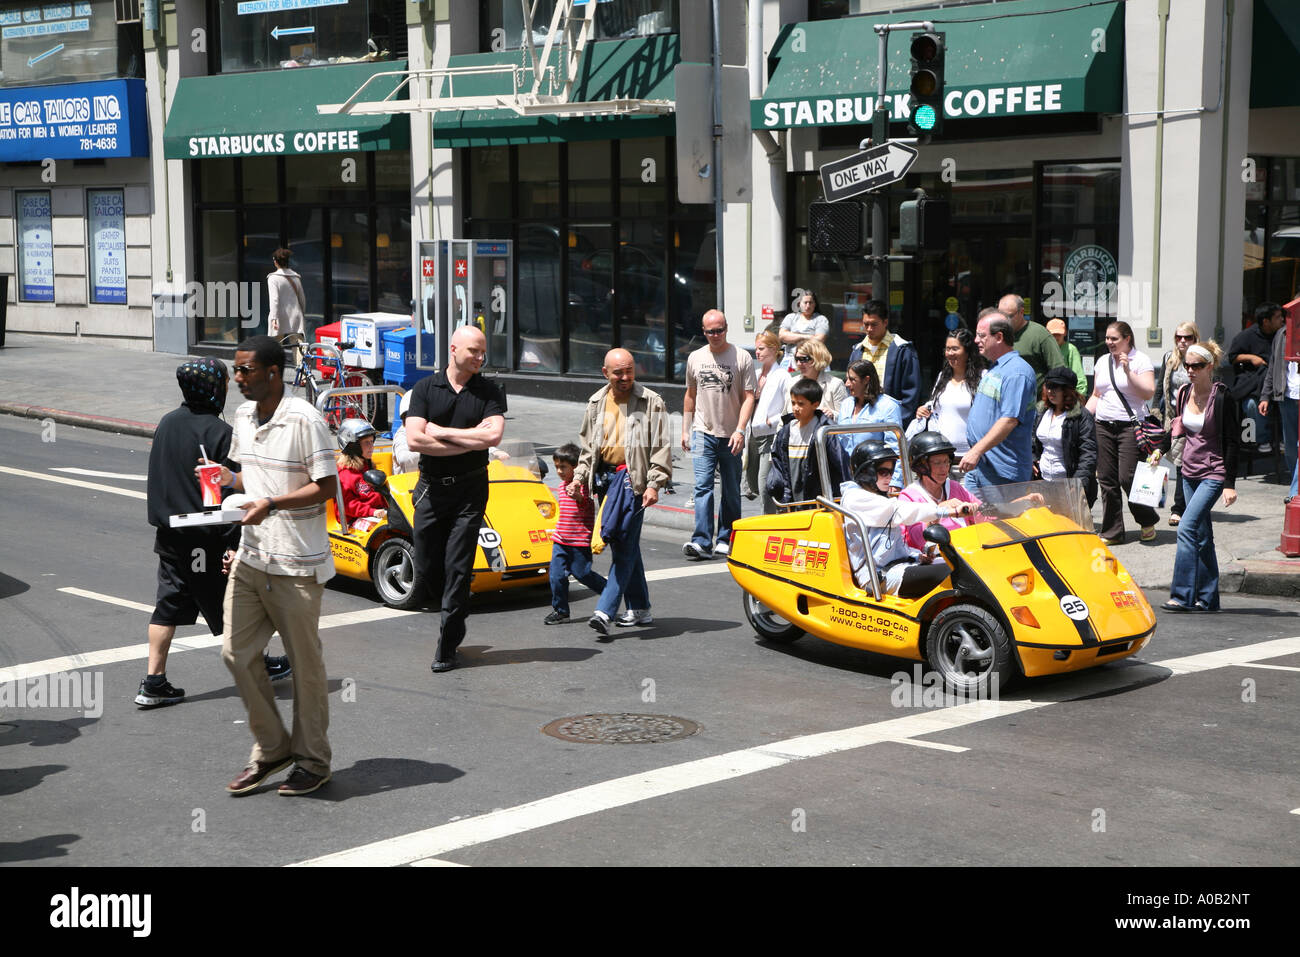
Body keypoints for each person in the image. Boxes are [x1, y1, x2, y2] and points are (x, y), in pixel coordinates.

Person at [212, 335, 338, 797]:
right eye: (236, 369)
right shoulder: (244, 416)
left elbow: (326, 485)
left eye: (245, 370)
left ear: (272, 372)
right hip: (251, 556)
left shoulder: (305, 418)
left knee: (305, 667)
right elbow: (251, 474)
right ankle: (272, 748)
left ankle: (312, 760)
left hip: (297, 562)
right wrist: (228, 479)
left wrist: (273, 503)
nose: (237, 378)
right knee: (235, 653)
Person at [137, 359, 291, 709]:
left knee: (168, 606)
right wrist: (233, 544)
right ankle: (258, 666)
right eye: (223, 383)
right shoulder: (219, 434)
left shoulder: (166, 424)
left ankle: (153, 681)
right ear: (213, 389)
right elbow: (235, 495)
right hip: (205, 537)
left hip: (170, 535)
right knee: (239, 604)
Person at [403, 326, 507, 672]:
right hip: (431, 490)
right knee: (430, 566)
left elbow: (492, 437)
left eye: (482, 352)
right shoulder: (424, 388)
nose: (479, 357)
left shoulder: (489, 390)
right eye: (473, 351)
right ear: (453, 349)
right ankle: (450, 606)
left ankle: (447, 646)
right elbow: (416, 440)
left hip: (470, 489)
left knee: (459, 567)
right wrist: (469, 439)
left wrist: (444, 432)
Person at [572, 348, 672, 635]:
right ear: (606, 373)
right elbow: (588, 447)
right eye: (618, 372)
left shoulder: (651, 401)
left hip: (633, 482)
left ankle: (604, 610)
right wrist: (580, 477)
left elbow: (661, 446)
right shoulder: (596, 402)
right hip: (604, 482)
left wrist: (654, 483)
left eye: (629, 371)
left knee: (624, 546)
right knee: (623, 544)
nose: (625, 377)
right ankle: (640, 608)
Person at [841, 440, 975, 597]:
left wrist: (918, 556)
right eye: (883, 472)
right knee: (954, 572)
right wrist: (945, 511)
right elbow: (900, 511)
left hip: (898, 567)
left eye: (891, 472)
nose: (889, 477)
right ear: (865, 472)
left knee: (964, 565)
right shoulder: (856, 498)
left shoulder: (877, 497)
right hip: (877, 576)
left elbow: (894, 546)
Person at [1165, 341, 1239, 612]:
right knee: (1203, 535)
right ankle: (1208, 599)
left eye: (1196, 365)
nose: (1191, 370)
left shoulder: (1222, 397)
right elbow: (1177, 428)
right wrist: (1159, 450)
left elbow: (1233, 442)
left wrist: (1230, 484)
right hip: (1188, 469)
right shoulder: (1184, 392)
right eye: (1187, 365)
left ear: (1210, 367)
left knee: (1186, 527)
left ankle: (1182, 595)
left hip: (1214, 472)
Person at [682, 309, 756, 560]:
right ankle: (702, 540)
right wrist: (686, 429)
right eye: (710, 331)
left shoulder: (742, 357)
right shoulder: (695, 358)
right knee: (702, 487)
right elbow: (690, 395)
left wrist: (740, 430)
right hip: (702, 431)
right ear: (703, 332)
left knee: (732, 488)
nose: (715, 335)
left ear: (726, 328)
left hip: (731, 434)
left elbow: (749, 398)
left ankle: (727, 538)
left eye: (719, 330)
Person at [1087, 320, 1160, 545]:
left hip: (1130, 426)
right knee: (1107, 480)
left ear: (1127, 339)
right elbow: (1097, 395)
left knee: (1127, 477)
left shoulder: (1141, 360)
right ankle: (1113, 532)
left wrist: (1128, 370)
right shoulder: (1102, 362)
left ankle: (1147, 519)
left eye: (1114, 339)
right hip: (1103, 424)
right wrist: (1083, 417)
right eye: (1107, 338)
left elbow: (1148, 393)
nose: (1109, 342)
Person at [960, 309, 1038, 493]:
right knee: (975, 520)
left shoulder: (1017, 372)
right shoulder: (996, 368)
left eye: (981, 336)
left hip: (1003, 474)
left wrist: (977, 450)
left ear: (999, 337)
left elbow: (1009, 420)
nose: (976, 340)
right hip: (982, 466)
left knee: (1003, 522)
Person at [544, 443, 607, 625]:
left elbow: (586, 504)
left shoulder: (583, 487)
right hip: (561, 541)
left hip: (579, 542)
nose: (559, 471)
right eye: (556, 467)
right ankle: (561, 611)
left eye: (563, 467)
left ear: (576, 468)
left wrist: (578, 496)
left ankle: (610, 592)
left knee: (583, 574)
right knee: (556, 576)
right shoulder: (562, 487)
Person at [766, 378, 850, 507]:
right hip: (790, 500)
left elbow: (839, 463)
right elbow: (778, 463)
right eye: (793, 403)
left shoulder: (825, 431)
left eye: (801, 404)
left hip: (817, 502)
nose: (796, 408)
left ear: (815, 404)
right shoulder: (786, 431)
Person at [898, 431, 979, 550]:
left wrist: (988, 510)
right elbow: (913, 539)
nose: (944, 468)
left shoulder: (955, 486)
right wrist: (939, 511)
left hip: (966, 551)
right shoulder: (908, 496)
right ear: (921, 466)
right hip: (934, 560)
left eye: (946, 462)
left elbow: (983, 513)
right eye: (937, 463)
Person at [913, 327, 985, 459]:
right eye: (947, 349)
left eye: (955, 349)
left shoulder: (983, 378)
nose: (950, 353)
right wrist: (923, 409)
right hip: (941, 454)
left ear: (968, 352)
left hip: (970, 457)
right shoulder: (942, 377)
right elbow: (935, 406)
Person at [1153, 322, 1200, 525]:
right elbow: (1160, 386)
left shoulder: (1200, 358)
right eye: (1179, 337)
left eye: (1187, 337)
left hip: (1193, 417)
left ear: (1194, 338)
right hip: (1173, 417)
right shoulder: (1169, 358)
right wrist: (1155, 410)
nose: (1182, 341)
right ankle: (1186, 504)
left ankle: (1179, 508)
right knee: (1177, 461)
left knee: (1183, 463)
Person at [1032, 365, 1099, 507]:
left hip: (1069, 486)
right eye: (1048, 386)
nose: (1051, 391)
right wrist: (1032, 459)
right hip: (1043, 482)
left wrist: (1078, 484)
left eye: (1056, 387)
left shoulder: (1081, 416)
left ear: (1068, 390)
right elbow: (1032, 442)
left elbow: (1088, 453)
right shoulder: (1041, 412)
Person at [848, 299, 922, 423]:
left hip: (891, 425)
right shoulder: (857, 351)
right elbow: (850, 386)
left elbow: (911, 394)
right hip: (860, 423)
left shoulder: (902, 350)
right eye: (866, 324)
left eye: (874, 324)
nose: (869, 329)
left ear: (885, 322)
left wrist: (896, 424)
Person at [743, 331, 792, 514]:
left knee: (765, 485)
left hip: (771, 435)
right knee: (753, 483)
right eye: (756, 348)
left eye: (761, 349)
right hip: (752, 434)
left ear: (773, 349)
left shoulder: (783, 376)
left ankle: (769, 521)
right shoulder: (755, 374)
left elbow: (789, 410)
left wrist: (771, 421)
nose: (757, 352)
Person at [1228, 302, 1285, 454]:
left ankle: (1283, 438)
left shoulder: (1282, 335)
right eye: (1278, 317)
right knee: (1252, 405)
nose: (1282, 320)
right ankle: (1263, 439)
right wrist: (1252, 358)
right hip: (1252, 382)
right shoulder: (1246, 336)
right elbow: (1232, 357)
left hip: (1276, 382)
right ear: (1266, 321)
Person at [838, 359, 903, 487]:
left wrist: (895, 482)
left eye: (852, 380)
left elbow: (896, 447)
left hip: (877, 479)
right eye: (847, 379)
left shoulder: (888, 406)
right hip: (849, 479)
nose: (847, 384)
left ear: (866, 380)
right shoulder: (846, 405)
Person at [1259, 311, 1299, 503]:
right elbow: (1273, 367)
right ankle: (1296, 484)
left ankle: (1295, 492)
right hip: (1287, 396)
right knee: (1291, 447)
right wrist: (1265, 396)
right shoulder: (1281, 334)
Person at [999, 293, 1063, 392]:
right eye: (1001, 315)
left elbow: (1058, 370)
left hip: (1034, 403)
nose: (1005, 320)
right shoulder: (997, 335)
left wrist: (1046, 402)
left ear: (1021, 312)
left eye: (1010, 316)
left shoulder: (1039, 334)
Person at [335, 418, 387, 529]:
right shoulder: (346, 473)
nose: (371, 446)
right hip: (353, 518)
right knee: (384, 530)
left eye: (372, 441)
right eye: (366, 443)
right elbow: (347, 505)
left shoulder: (366, 465)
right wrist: (372, 511)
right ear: (353, 446)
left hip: (374, 512)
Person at [267, 248, 307, 365]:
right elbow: (302, 298)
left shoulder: (273, 278)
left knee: (274, 347)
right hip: (295, 315)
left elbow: (274, 300)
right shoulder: (296, 277)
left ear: (275, 261)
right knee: (299, 345)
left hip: (279, 317)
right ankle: (303, 375)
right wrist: (302, 313)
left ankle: (274, 373)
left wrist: (274, 318)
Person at [792, 338, 848, 419]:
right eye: (797, 359)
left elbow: (845, 418)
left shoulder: (835, 384)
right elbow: (784, 416)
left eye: (804, 359)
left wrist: (832, 414)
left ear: (817, 358)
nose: (798, 363)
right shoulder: (792, 383)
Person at [778, 290, 830, 366]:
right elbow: (782, 336)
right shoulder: (791, 317)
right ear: (799, 304)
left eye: (810, 302)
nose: (808, 306)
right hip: (789, 359)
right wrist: (807, 336)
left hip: (812, 360)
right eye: (805, 302)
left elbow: (819, 339)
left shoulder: (821, 319)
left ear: (814, 304)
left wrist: (793, 337)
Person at [1045, 318, 1086, 395]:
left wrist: (1079, 397)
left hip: (1065, 395)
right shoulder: (1044, 348)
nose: (1056, 337)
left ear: (1065, 333)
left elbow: (1079, 377)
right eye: (1053, 334)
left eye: (1059, 334)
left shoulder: (1071, 349)